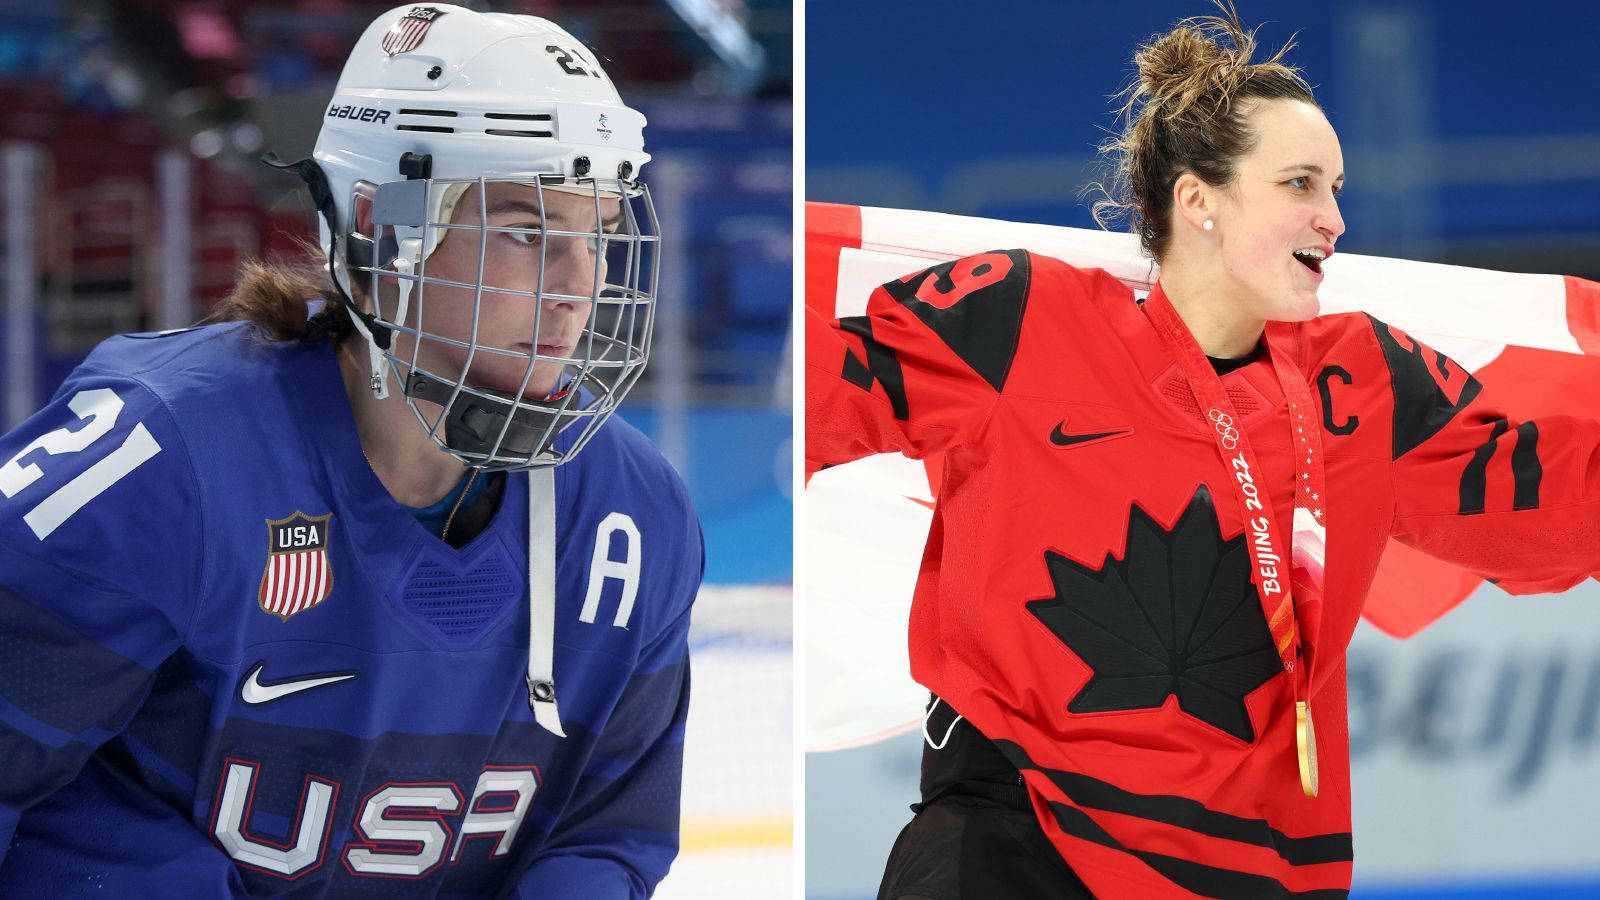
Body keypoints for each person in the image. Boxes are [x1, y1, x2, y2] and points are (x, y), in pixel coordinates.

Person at [805, 8, 1600, 899]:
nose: (1334, 218)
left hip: (1252, 870)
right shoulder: (1021, 318)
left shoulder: (1363, 379)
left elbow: (1553, 507)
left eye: (1337, 187)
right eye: (1301, 184)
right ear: (1198, 200)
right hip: (1016, 845)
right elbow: (815, 395)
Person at [0, 5, 701, 897]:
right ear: (382, 224)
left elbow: (606, 837)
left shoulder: (634, 518)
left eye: (597, 235)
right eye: (529, 233)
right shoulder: (158, 463)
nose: (577, 290)